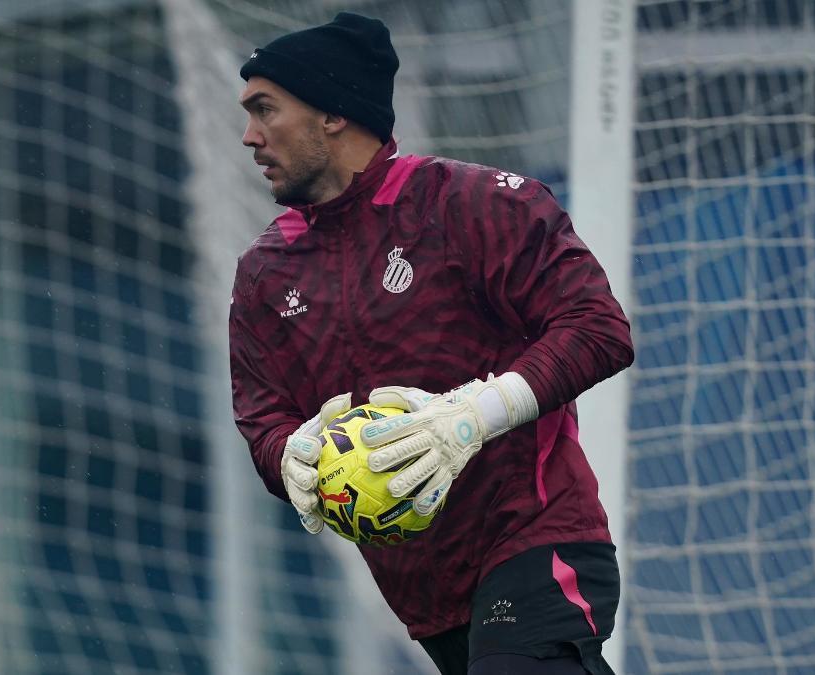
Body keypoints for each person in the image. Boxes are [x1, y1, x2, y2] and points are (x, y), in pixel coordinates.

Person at [228, 12, 634, 675]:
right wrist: (291, 458)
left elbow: (597, 326)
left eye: (265, 109)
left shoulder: (470, 204)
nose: (249, 136)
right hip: (424, 590)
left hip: (536, 537)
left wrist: (468, 418)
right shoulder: (264, 274)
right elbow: (263, 416)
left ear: (333, 113)